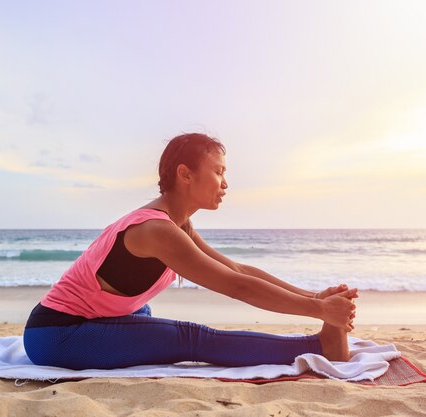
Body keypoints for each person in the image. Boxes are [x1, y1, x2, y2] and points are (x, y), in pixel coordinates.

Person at [23, 133, 358, 370]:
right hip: (57, 335)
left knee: (146, 314)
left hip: (90, 320)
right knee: (190, 337)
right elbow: (235, 288)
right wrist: (319, 311)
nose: (225, 183)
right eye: (218, 171)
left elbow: (236, 271)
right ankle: (320, 347)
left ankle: (322, 337)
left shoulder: (177, 225)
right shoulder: (158, 231)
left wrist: (315, 297)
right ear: (185, 174)